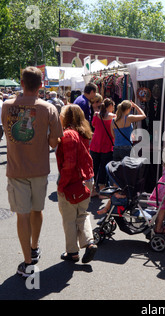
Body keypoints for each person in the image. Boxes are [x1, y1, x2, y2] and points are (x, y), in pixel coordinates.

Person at [1, 66, 64, 277]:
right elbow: (55, 141)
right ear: (41, 85)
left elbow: (9, 134)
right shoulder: (49, 108)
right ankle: (34, 247)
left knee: (22, 215)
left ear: (21, 83)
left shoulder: (7, 106)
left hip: (17, 168)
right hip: (40, 168)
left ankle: (28, 261)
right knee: (37, 210)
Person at [56, 104, 97, 263]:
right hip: (87, 179)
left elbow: (69, 164)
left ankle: (72, 252)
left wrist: (62, 185)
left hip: (73, 181)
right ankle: (89, 242)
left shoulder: (68, 134)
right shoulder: (83, 133)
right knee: (82, 214)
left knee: (69, 218)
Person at [90, 98, 116, 197]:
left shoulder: (96, 114)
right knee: (104, 167)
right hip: (107, 145)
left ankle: (92, 189)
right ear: (110, 106)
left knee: (94, 167)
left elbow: (93, 125)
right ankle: (102, 190)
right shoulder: (113, 117)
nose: (113, 108)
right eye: (113, 106)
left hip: (95, 144)